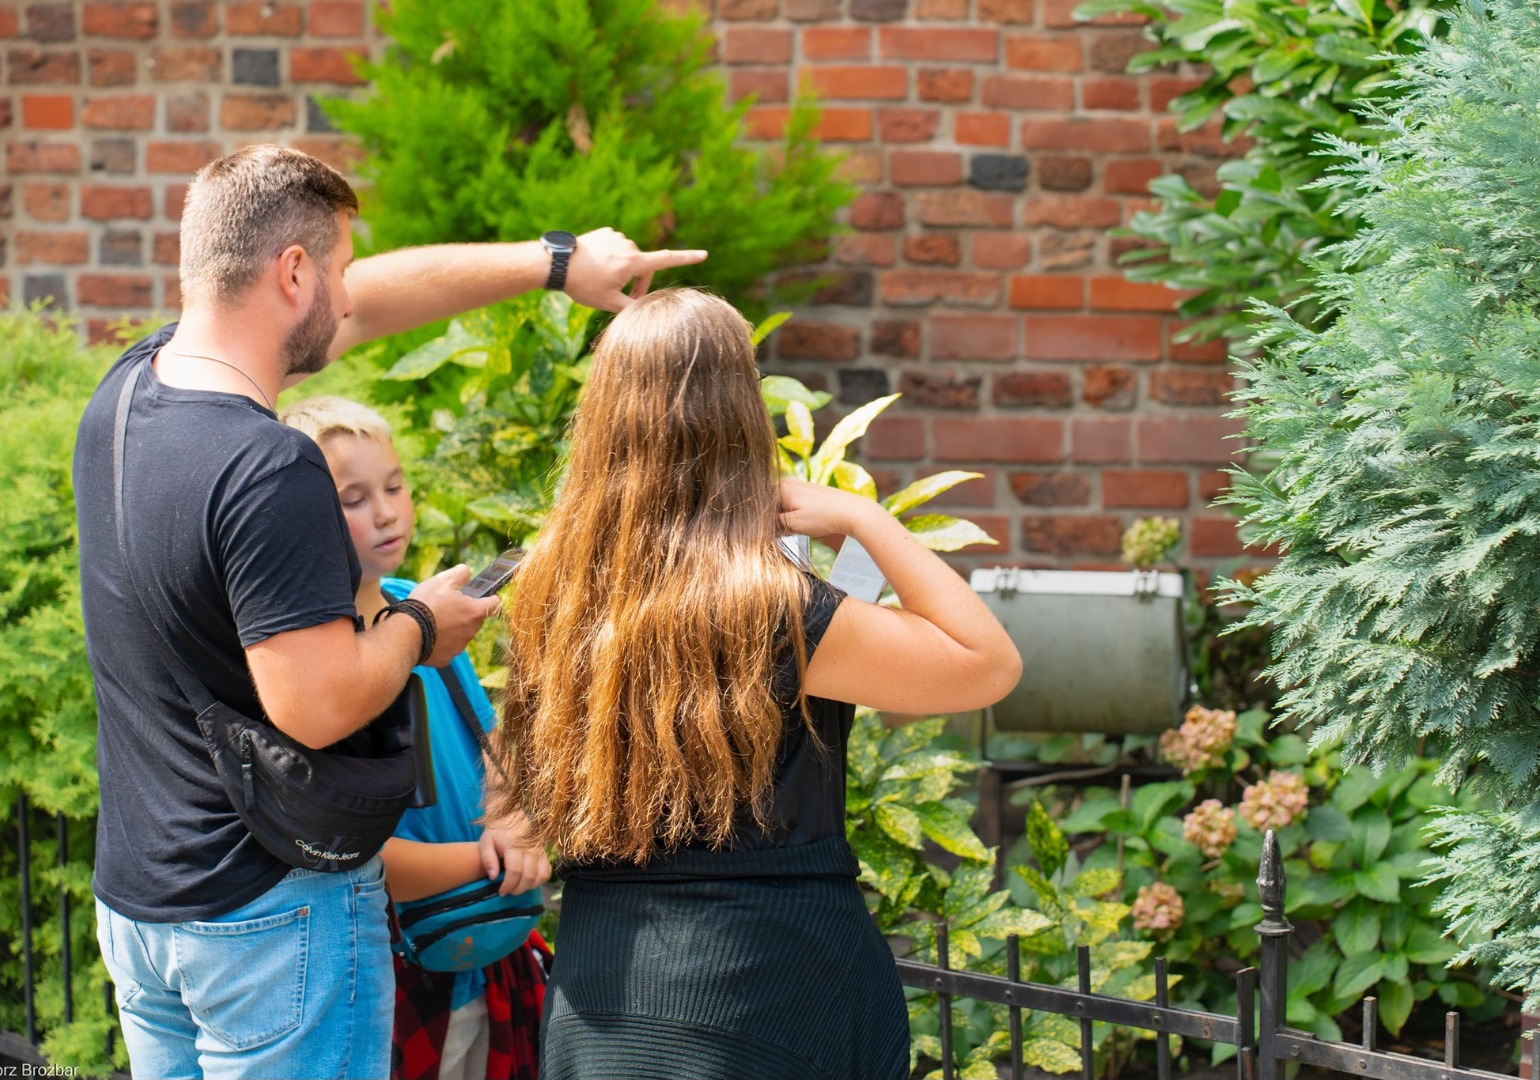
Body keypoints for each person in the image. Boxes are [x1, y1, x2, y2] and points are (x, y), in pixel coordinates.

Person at [71, 144, 704, 1080]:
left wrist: (557, 263)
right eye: (333, 272)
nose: (348, 295)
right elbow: (317, 705)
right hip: (265, 919)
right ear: (292, 273)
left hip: (141, 908)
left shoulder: (129, 391)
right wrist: (421, 627)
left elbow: (372, 296)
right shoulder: (268, 464)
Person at [491, 287, 1024, 1080]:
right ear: (741, 412)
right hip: (771, 991)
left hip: (602, 994)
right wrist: (867, 521)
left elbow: (519, 765)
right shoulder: (772, 610)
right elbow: (987, 664)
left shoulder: (553, 595)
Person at [280, 395, 553, 1080]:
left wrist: (513, 819)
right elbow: (350, 854)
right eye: (354, 497)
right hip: (390, 970)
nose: (387, 511)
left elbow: (488, 741)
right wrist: (493, 861)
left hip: (484, 951)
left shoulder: (423, 604)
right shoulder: (318, 664)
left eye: (395, 486)